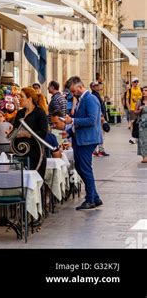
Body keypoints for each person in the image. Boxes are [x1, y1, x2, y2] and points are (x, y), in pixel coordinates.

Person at [52, 76, 102, 211]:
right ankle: (95, 197)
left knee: (85, 169)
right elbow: (81, 120)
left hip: (87, 140)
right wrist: (70, 132)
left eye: (74, 91)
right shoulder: (81, 99)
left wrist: (72, 121)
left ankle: (90, 199)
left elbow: (92, 120)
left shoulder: (90, 99)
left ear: (80, 87)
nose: (72, 94)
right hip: (81, 138)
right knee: (81, 168)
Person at [10, 86, 49, 177]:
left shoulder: (40, 113)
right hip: (20, 151)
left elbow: (43, 133)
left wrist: (28, 134)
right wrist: (11, 133)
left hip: (35, 152)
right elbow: (16, 129)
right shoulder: (20, 113)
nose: (19, 99)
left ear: (29, 99)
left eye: (22, 96)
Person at [90, 82, 109, 157]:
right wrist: (101, 116)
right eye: (95, 86)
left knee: (100, 134)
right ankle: (98, 150)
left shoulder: (97, 95)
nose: (98, 87)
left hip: (101, 116)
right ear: (92, 87)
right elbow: (97, 107)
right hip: (99, 117)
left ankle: (98, 149)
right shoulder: (94, 95)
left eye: (98, 85)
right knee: (100, 134)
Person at [134, 86, 147, 163]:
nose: (144, 92)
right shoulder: (139, 102)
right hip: (142, 123)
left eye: (146, 90)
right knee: (142, 140)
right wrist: (139, 110)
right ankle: (144, 156)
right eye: (143, 90)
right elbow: (135, 112)